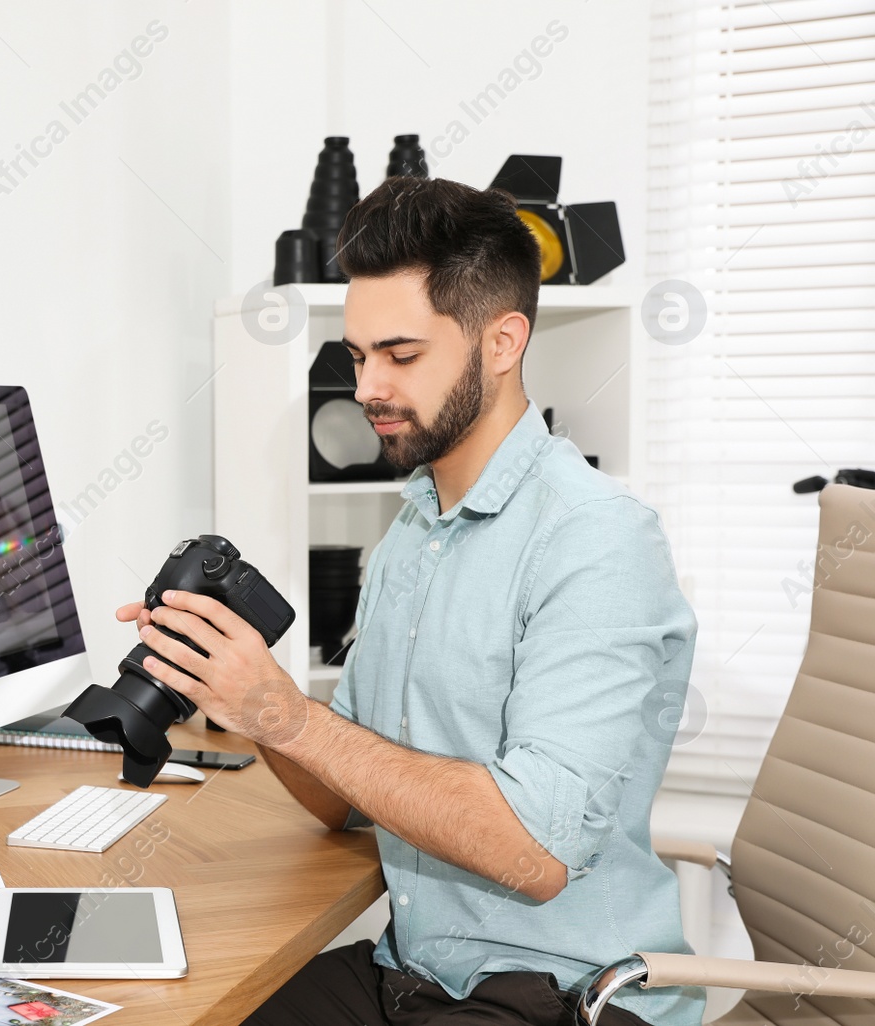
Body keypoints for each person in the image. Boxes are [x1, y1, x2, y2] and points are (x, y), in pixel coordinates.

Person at [119, 177, 701, 1026]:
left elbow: (532, 855)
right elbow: (346, 796)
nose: (366, 389)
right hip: (414, 972)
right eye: (357, 356)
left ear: (502, 342)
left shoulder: (598, 541)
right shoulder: (415, 530)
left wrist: (286, 715)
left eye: (401, 355)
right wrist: (239, 686)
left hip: (560, 996)